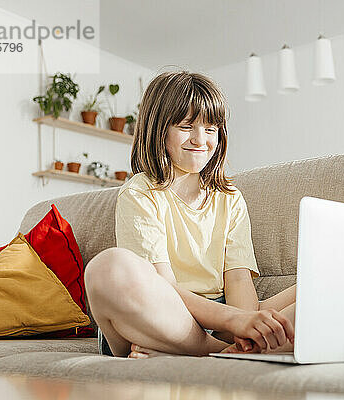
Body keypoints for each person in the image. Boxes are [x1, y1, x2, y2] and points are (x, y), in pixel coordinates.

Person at [84, 70, 297, 359]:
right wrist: (235, 322)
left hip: (221, 316)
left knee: (326, 279)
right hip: (164, 313)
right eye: (186, 126)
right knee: (107, 267)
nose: (201, 140)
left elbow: (237, 282)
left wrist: (245, 324)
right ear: (158, 129)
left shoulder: (229, 197)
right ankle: (217, 352)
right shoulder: (139, 193)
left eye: (211, 129)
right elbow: (165, 287)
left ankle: (216, 349)